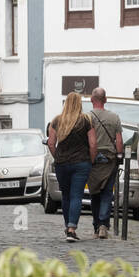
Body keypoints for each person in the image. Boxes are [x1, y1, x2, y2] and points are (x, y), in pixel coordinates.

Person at [47, 91, 97, 242]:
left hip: (62, 164)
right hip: (81, 163)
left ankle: (67, 225)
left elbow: (50, 143)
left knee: (66, 195)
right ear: (80, 103)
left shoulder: (56, 121)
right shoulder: (86, 120)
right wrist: (91, 160)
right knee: (77, 195)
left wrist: (57, 156)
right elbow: (93, 144)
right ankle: (71, 228)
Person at [86, 87, 123, 239]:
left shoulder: (86, 117)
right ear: (105, 100)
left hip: (93, 159)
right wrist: (119, 155)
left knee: (94, 193)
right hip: (109, 159)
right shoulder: (114, 117)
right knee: (107, 193)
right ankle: (103, 224)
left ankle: (96, 226)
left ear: (91, 100)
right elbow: (119, 140)